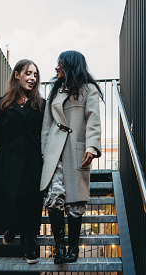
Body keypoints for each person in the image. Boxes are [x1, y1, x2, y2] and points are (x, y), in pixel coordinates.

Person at [0, 59, 45, 264]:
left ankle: (29, 248)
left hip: (32, 158)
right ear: (17, 74)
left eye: (35, 75)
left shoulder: (41, 105)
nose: (32, 78)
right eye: (28, 73)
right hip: (8, 159)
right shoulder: (2, 104)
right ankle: (12, 227)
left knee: (31, 201)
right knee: (10, 198)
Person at [40, 50, 103, 264]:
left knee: (75, 203)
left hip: (77, 151)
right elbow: (47, 125)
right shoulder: (54, 91)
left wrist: (92, 147)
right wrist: (44, 152)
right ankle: (59, 246)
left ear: (71, 65)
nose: (56, 68)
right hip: (54, 153)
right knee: (54, 200)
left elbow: (93, 119)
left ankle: (73, 247)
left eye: (61, 64)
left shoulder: (88, 89)